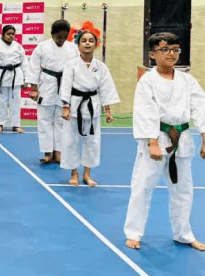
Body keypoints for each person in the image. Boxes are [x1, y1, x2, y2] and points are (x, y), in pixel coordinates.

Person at [124, 32, 205, 251]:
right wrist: (152, 141)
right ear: (152, 54)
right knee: (142, 187)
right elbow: (145, 111)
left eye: (176, 49)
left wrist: (204, 136)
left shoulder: (187, 80)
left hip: (182, 139)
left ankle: (183, 234)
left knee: (183, 190)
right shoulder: (147, 80)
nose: (171, 54)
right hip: (157, 137)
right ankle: (133, 233)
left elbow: (200, 107)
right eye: (165, 49)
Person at [60, 24, 119, 186]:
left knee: (92, 142)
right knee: (70, 141)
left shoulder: (100, 66)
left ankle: (87, 174)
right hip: (74, 106)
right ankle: (74, 174)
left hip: (93, 106)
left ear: (96, 45)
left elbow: (106, 88)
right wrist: (65, 107)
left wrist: (108, 110)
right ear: (78, 45)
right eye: (84, 41)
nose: (87, 43)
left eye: (91, 41)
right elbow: (66, 85)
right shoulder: (71, 64)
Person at [25, 20, 78, 164]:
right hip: (47, 84)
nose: (61, 40)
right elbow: (33, 67)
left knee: (61, 120)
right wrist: (34, 89)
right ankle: (47, 152)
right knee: (45, 120)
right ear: (52, 33)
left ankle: (58, 151)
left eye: (64, 37)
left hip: (65, 84)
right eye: (58, 37)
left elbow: (76, 69)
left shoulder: (73, 48)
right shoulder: (42, 47)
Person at [0, 25, 27, 133]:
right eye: (8, 34)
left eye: (13, 34)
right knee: (1, 102)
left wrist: (25, 80)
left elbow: (24, 63)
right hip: (1, 76)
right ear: (3, 34)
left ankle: (16, 124)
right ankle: (0, 124)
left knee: (15, 102)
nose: (11, 36)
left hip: (16, 76)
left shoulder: (18, 47)